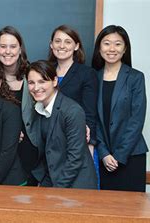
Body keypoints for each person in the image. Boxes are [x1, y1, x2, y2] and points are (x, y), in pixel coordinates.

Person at [92, 25, 148, 192]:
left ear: (125, 49)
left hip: (131, 156)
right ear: (99, 48)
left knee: (132, 213)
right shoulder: (93, 77)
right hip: (104, 158)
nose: (111, 49)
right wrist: (104, 153)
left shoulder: (135, 77)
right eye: (106, 43)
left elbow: (137, 120)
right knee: (105, 212)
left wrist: (119, 155)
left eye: (118, 44)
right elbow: (93, 119)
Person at [27, 60, 97, 189]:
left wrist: (56, 189)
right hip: (54, 180)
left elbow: (75, 158)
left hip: (76, 185)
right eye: (31, 83)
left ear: (54, 81)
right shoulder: (38, 110)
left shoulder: (72, 111)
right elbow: (48, 152)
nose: (36, 88)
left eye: (42, 81)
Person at [0, 26, 38, 184]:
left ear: (20, 49)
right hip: (0, 151)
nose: (7, 51)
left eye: (13, 46)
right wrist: (7, 133)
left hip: (30, 151)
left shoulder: (33, 75)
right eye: (3, 46)